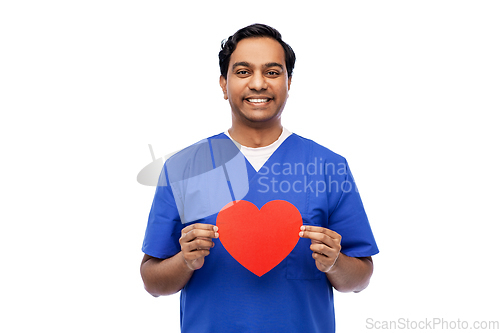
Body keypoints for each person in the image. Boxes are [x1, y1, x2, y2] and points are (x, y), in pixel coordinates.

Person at [140, 23, 379, 332]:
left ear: (289, 83)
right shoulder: (183, 168)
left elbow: (360, 278)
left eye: (272, 72)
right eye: (242, 72)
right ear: (223, 85)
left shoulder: (328, 166)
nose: (258, 83)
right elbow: (152, 282)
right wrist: (184, 261)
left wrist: (335, 263)